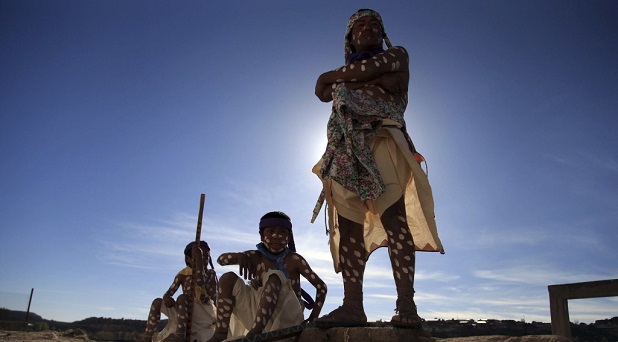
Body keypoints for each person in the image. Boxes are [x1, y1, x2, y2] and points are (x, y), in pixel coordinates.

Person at [311, 9, 444, 327]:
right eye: (360, 26)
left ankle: (407, 307)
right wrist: (367, 80)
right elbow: (320, 88)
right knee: (350, 226)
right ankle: (352, 307)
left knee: (395, 219)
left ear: (383, 34)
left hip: (383, 138)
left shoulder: (398, 54)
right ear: (350, 37)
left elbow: (331, 83)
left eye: (374, 25)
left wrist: (341, 80)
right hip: (344, 149)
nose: (368, 29)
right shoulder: (371, 68)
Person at [207, 211, 327, 342]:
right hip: (256, 315)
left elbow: (321, 287)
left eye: (283, 232)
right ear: (261, 236)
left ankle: (256, 332)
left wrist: (313, 317)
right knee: (227, 278)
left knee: (275, 275)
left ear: (289, 237)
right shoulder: (255, 256)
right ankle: (220, 333)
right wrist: (239, 256)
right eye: (270, 231)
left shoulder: (294, 259)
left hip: (287, 318)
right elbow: (221, 260)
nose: (277, 236)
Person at [142, 241, 218, 342]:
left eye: (206, 256)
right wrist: (167, 298)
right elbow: (168, 293)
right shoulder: (182, 275)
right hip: (185, 312)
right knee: (157, 302)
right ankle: (147, 338)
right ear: (188, 259)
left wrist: (198, 259)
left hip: (206, 314)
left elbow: (200, 281)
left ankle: (180, 336)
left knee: (182, 298)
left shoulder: (210, 273)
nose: (204, 259)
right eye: (200, 256)